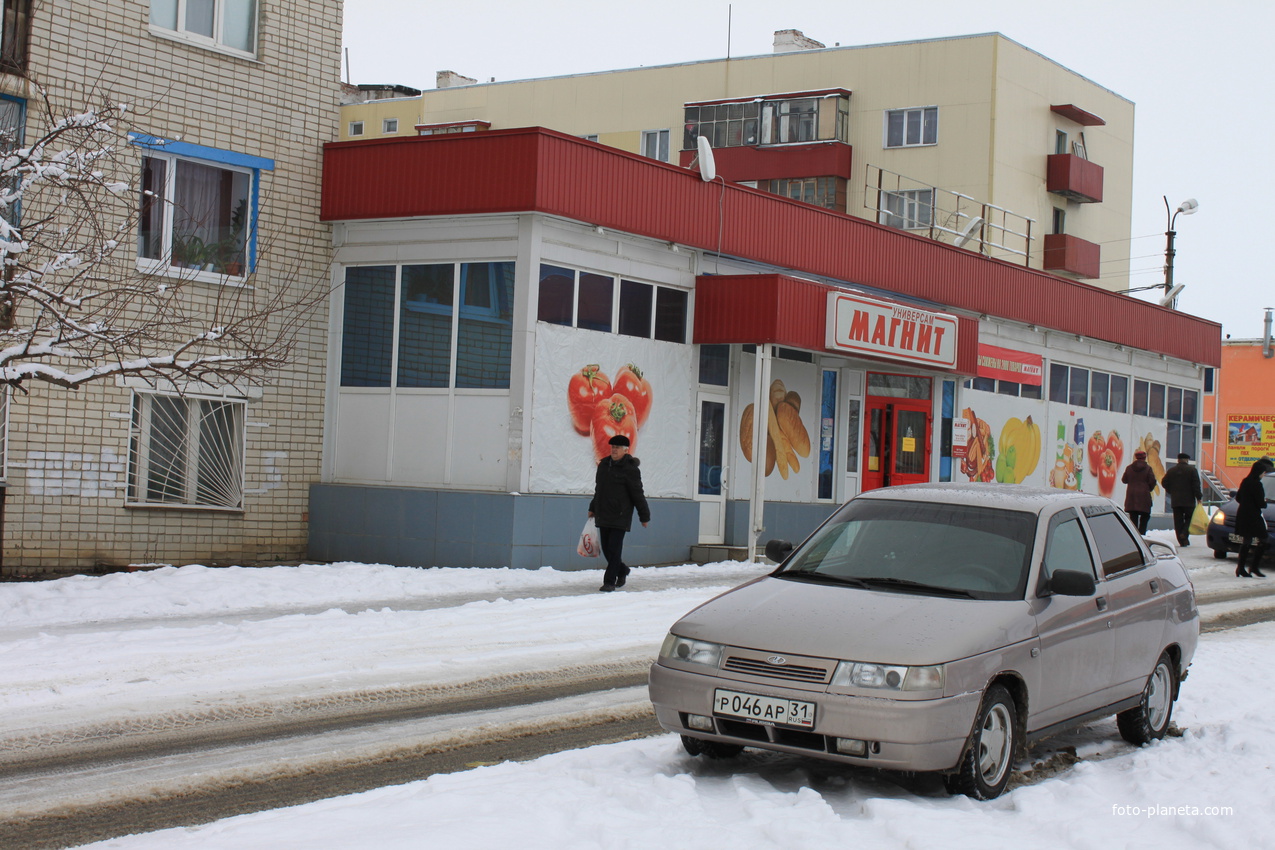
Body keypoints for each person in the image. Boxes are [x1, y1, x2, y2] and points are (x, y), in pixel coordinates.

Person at [588, 434, 650, 592]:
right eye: (612, 447)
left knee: (614, 549)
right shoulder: (604, 465)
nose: (614, 450)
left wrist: (644, 516)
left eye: (617, 448)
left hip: (620, 515)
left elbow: (637, 493)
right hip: (603, 514)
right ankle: (622, 570)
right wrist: (593, 507)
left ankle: (609, 581)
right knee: (608, 551)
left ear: (626, 450)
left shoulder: (630, 469)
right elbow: (599, 490)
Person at [1234, 457, 1274, 578]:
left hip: (1242, 514)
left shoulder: (1245, 481)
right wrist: (1264, 502)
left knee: (1246, 541)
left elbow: (1238, 498)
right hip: (1254, 516)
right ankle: (1254, 566)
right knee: (1263, 539)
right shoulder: (1257, 485)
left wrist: (1247, 503)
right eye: (1263, 473)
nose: (1263, 475)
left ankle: (1240, 568)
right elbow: (1261, 503)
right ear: (1259, 473)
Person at [1161, 452, 1203, 547]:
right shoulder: (1192, 470)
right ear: (1187, 460)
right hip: (1189, 501)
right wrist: (1198, 497)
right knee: (1189, 518)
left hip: (1176, 500)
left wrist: (1171, 491)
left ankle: (1182, 540)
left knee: (1178, 521)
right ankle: (1184, 533)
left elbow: (1164, 482)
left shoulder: (1171, 471)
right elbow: (1196, 485)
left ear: (1178, 460)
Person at [1121, 449, 1157, 534]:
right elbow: (1152, 481)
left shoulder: (1129, 468)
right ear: (1145, 458)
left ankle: (1135, 534)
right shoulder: (1148, 469)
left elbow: (1124, 480)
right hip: (1144, 497)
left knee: (1133, 518)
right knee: (1145, 516)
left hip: (1131, 497)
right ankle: (1142, 533)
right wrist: (1148, 489)